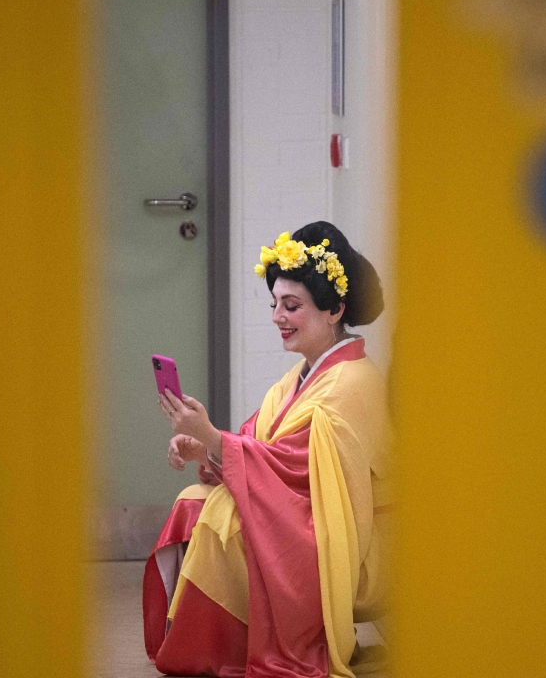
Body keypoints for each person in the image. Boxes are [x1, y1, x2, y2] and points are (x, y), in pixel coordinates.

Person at [143, 221, 390, 678]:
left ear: (335, 309)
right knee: (193, 504)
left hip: (345, 536)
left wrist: (216, 439)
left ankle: (220, 648)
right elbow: (258, 448)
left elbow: (294, 469)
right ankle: (207, 640)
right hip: (296, 510)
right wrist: (204, 447)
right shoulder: (298, 378)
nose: (277, 316)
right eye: (275, 303)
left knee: (222, 520)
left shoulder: (354, 383)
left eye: (291, 305)